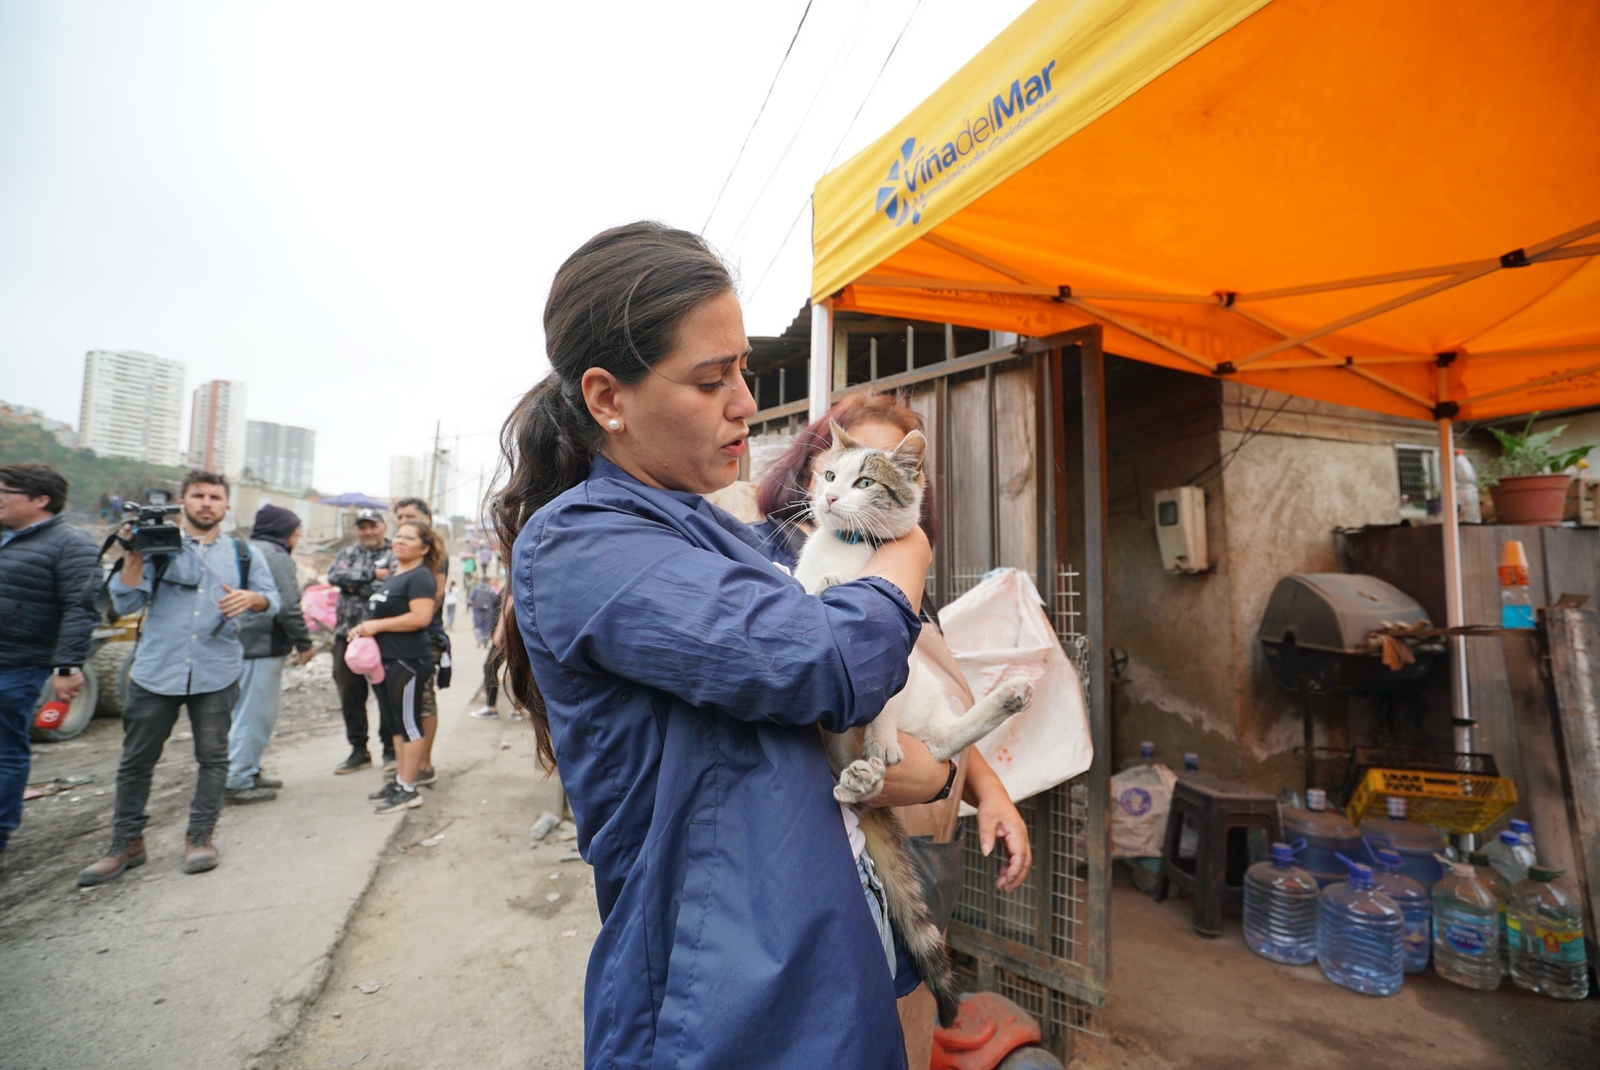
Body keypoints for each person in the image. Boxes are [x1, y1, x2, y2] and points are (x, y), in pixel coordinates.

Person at [496, 222, 947, 1069]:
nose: (745, 400)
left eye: (742, 368)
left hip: (824, 934)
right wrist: (910, 550)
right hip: (725, 998)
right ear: (607, 399)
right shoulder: (583, 544)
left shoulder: (723, 532)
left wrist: (936, 769)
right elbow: (829, 657)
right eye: (711, 380)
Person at [753, 392, 1035, 1066]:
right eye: (842, 456)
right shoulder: (769, 553)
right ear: (813, 458)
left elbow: (931, 689)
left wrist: (984, 791)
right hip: (831, 840)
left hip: (926, 843)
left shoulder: (902, 562)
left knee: (906, 1024)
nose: (851, 477)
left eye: (884, 463)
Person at [77, 471, 280, 885]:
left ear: (226, 506)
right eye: (198, 495)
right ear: (182, 503)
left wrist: (252, 599)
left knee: (213, 757)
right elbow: (128, 600)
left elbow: (272, 601)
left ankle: (200, 836)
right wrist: (133, 553)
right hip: (156, 670)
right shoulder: (157, 545)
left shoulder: (244, 553)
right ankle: (126, 843)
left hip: (217, 669)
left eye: (214, 497)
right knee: (136, 761)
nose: (206, 503)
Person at [0, 464, 99, 872]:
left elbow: (82, 608)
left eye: (5, 492)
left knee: (5, 751)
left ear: (40, 499)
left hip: (18, 664)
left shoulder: (71, 544)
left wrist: (67, 665)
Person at [225, 504, 316, 804]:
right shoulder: (276, 556)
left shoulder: (245, 548)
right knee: (255, 715)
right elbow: (289, 606)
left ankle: (248, 771)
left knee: (242, 714)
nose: (299, 535)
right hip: (262, 646)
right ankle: (238, 780)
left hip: (240, 643)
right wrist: (304, 643)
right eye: (295, 529)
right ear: (282, 530)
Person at [347, 518, 438, 814]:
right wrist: (363, 628)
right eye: (398, 536)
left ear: (424, 547)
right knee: (395, 724)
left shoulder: (421, 577)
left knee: (409, 724)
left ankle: (410, 789)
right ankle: (400, 781)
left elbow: (420, 617)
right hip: (386, 662)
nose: (399, 541)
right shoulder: (395, 575)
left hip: (408, 661)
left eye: (408, 538)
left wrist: (374, 625)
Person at [326, 509, 395, 774]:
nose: (367, 532)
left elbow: (390, 587)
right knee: (350, 695)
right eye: (362, 527)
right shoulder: (346, 553)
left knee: (386, 694)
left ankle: (390, 748)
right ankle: (358, 750)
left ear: (383, 527)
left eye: (372, 526)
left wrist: (353, 583)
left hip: (382, 635)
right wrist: (372, 575)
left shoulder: (393, 552)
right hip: (346, 634)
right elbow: (334, 577)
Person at [392, 497, 447, 786]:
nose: (402, 522)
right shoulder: (400, 554)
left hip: (425, 637)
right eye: (399, 518)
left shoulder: (433, 555)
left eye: (409, 516)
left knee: (423, 701)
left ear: (427, 518)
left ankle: (423, 764)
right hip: (398, 639)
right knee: (402, 704)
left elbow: (435, 596)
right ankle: (407, 765)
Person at [468, 575, 504, 719]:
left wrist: (499, 633)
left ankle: (491, 708)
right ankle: (516, 709)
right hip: (508, 635)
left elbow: (508, 605)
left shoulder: (515, 577)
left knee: (489, 667)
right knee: (516, 671)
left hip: (505, 637)